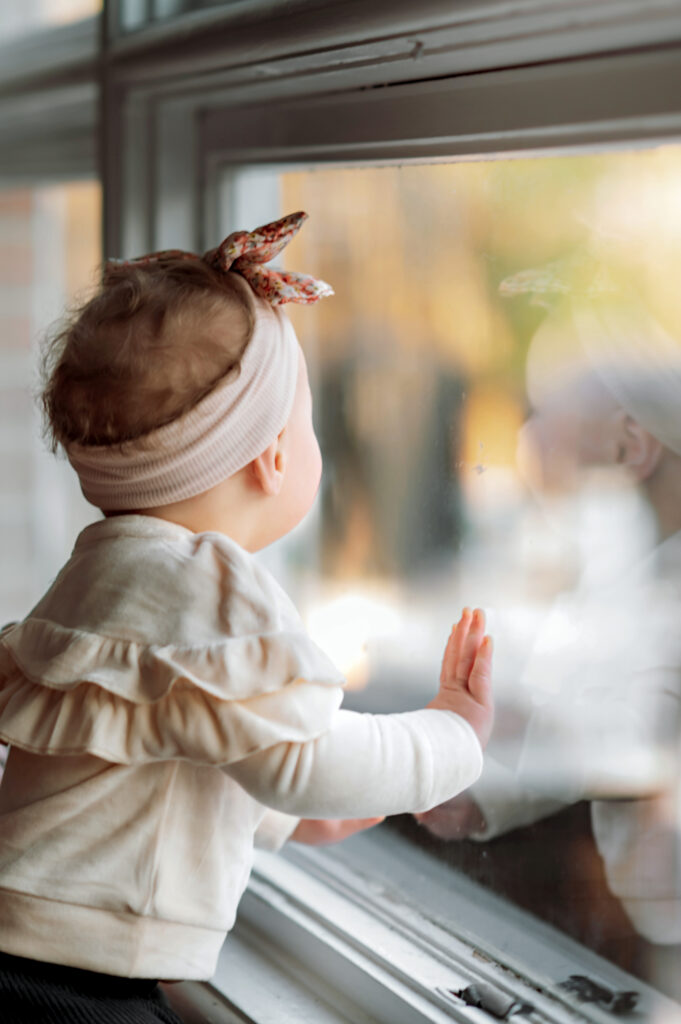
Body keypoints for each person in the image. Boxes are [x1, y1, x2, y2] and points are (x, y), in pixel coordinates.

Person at [0, 212, 493, 1023]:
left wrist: (285, 819)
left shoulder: (106, 565)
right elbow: (302, 761)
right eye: (305, 421)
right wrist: (453, 736)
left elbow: (165, 743)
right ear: (271, 455)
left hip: (35, 955)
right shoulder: (207, 583)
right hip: (71, 987)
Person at [415, 294, 681, 996]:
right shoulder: (620, 565)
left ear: (630, 447)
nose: (527, 434)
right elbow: (583, 712)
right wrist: (491, 794)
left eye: (545, 415)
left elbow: (621, 743)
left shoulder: (668, 595)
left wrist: (500, 767)